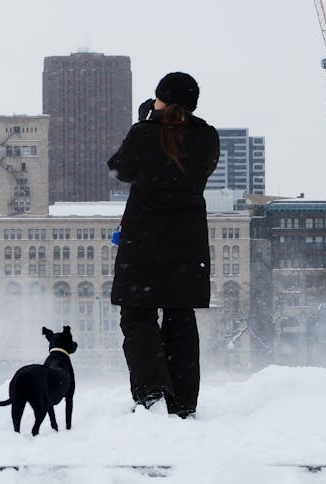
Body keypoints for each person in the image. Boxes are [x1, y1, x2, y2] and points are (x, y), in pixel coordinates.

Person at [106, 71, 220, 419]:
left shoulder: (144, 132)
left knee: (137, 316)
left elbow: (120, 169)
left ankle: (151, 393)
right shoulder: (207, 138)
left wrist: (147, 122)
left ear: (162, 99)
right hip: (187, 246)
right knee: (180, 316)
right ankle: (183, 403)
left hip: (143, 242)